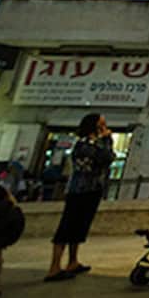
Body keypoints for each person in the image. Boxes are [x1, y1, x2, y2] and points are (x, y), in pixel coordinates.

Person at [46, 113, 114, 282]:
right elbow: (105, 158)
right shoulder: (85, 145)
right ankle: (54, 267)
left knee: (79, 227)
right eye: (102, 123)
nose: (105, 126)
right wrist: (106, 140)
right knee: (67, 227)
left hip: (92, 190)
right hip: (80, 191)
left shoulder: (95, 144)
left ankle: (73, 261)